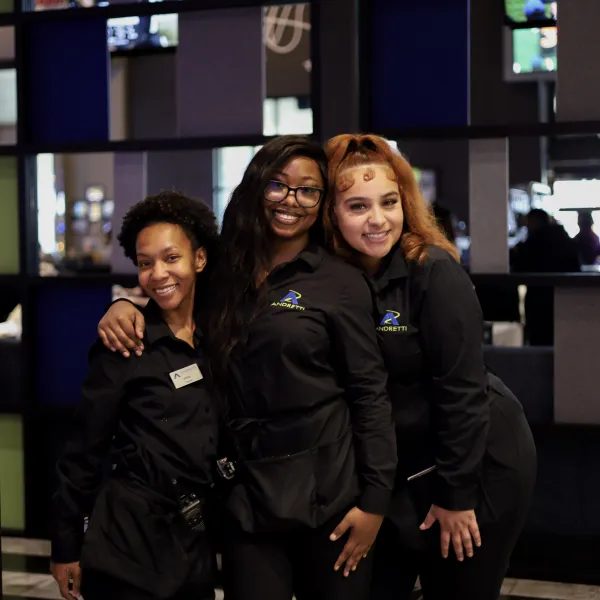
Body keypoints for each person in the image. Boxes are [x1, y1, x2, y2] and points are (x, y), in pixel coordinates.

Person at [95, 136, 397, 600]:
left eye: (308, 190)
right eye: (278, 185)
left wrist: (374, 503)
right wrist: (123, 306)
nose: (291, 201)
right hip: (246, 496)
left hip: (331, 496)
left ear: (322, 203)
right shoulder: (223, 272)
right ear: (257, 187)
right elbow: (170, 294)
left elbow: (370, 395)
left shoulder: (340, 282)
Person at [323, 134, 537, 600]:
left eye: (389, 202)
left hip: (478, 460)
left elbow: (461, 390)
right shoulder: (339, 277)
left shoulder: (432, 270)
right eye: (358, 206)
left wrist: (457, 497)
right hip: (406, 467)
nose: (378, 220)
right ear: (332, 214)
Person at [50, 191, 221, 600]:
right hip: (127, 547)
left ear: (199, 259)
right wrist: (65, 546)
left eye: (171, 258)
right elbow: (83, 451)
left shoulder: (220, 336)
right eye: (146, 263)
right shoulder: (125, 344)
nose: (158, 273)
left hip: (194, 545)